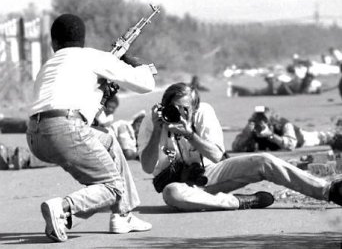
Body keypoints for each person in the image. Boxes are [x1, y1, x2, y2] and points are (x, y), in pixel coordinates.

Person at [26, 14, 156, 242]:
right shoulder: (94, 57)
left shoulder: (49, 65)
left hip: (35, 135)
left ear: (53, 43)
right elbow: (146, 84)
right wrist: (128, 59)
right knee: (113, 186)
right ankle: (63, 207)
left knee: (109, 142)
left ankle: (122, 215)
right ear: (83, 40)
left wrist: (100, 94)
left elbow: (78, 109)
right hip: (65, 129)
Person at [138, 82, 342, 212]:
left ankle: (329, 191)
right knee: (172, 194)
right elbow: (147, 168)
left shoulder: (203, 113)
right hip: (180, 185)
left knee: (265, 160)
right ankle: (240, 202)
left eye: (184, 109)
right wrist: (158, 130)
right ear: (164, 106)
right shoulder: (152, 120)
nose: (178, 114)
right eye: (173, 108)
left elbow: (218, 156)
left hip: (211, 173)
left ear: (195, 107)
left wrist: (191, 134)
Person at [232, 106, 334, 152]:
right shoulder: (253, 127)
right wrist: (246, 135)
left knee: (324, 137)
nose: (260, 123)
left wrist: (271, 136)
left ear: (271, 121)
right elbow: (235, 148)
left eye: (263, 119)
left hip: (305, 139)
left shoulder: (284, 124)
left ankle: (333, 135)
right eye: (257, 119)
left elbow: (291, 146)